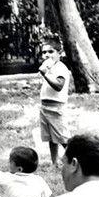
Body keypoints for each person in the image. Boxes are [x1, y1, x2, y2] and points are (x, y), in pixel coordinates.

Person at [38, 35, 71, 166]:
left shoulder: (60, 67)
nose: (46, 55)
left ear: (59, 53)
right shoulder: (49, 67)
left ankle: (77, 159)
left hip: (56, 108)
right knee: (51, 138)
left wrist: (45, 74)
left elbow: (58, 86)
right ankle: (54, 162)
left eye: (51, 51)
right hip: (45, 106)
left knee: (62, 137)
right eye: (44, 52)